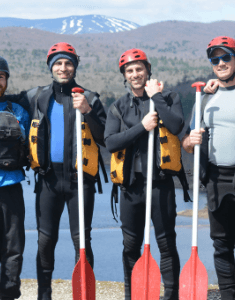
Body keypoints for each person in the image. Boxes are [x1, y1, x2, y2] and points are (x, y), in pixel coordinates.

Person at [15, 42, 106, 300]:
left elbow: (105, 139)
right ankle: (45, 295)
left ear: (74, 66)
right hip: (48, 181)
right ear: (50, 67)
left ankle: (84, 294)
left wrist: (87, 111)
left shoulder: (91, 98)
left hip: (80, 182)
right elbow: (3, 99)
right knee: (45, 241)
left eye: (68, 63)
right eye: (58, 63)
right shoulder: (37, 96)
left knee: (82, 243)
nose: (63, 68)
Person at [104, 49, 186, 300]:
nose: (135, 74)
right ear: (125, 76)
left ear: (148, 70)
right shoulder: (118, 107)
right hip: (131, 187)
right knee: (130, 246)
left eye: (139, 69)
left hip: (160, 184)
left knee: (165, 242)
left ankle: (171, 294)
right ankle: (134, 294)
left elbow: (176, 125)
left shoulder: (168, 98)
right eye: (130, 70)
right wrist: (142, 127)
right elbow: (111, 143)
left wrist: (156, 97)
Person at [181, 36, 235, 299]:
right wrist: (190, 141)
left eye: (226, 57)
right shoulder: (204, 98)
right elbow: (187, 143)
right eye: (216, 59)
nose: (221, 63)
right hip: (217, 177)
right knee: (222, 244)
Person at [0, 54, 30, 300]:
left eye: (0, 77)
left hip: (12, 190)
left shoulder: (19, 111)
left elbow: (33, 145)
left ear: (7, 80)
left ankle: (9, 296)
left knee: (13, 251)